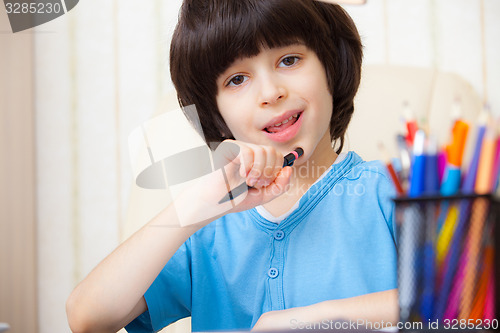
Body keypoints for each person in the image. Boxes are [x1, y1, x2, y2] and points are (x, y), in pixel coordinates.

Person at [66, 0, 399, 332]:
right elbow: (87, 318)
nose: (270, 92)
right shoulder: (208, 230)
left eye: (289, 59)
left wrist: (310, 319)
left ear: (331, 66)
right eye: (237, 79)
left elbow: (451, 310)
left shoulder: (395, 193)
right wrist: (195, 205)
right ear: (216, 114)